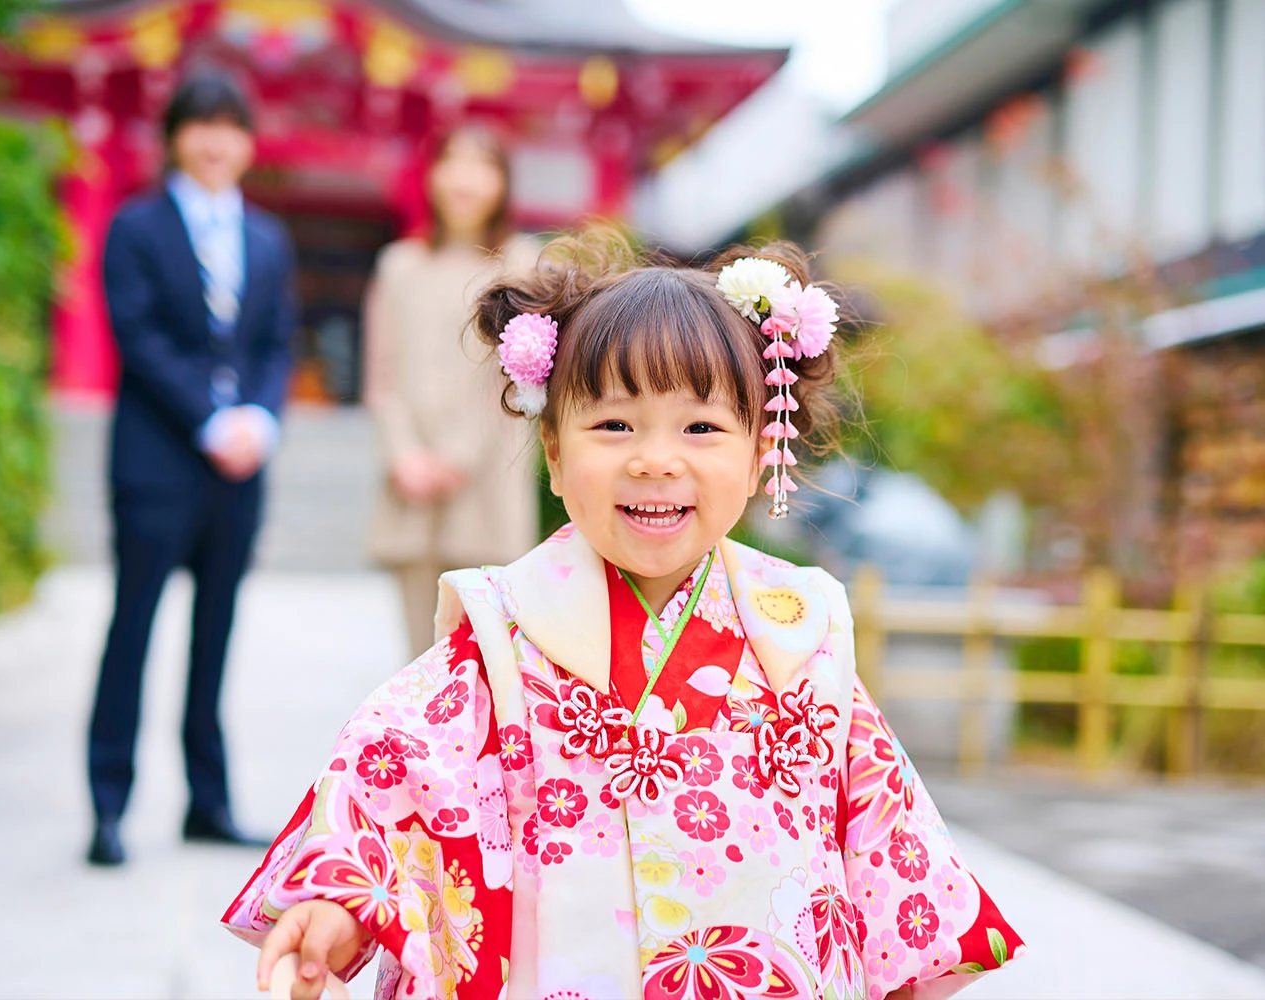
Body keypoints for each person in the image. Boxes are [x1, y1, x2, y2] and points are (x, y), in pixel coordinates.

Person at [221, 231, 1025, 999]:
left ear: (758, 455)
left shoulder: (801, 632)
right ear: (554, 453)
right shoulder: (507, 631)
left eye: (702, 427)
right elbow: (398, 773)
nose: (654, 458)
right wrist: (340, 903)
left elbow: (886, 848)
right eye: (613, 424)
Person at [86, 71, 296, 866]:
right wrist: (208, 419)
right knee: (132, 627)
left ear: (248, 140)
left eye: (230, 125)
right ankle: (109, 805)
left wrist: (261, 422)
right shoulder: (135, 227)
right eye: (201, 125)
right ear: (175, 136)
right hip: (157, 461)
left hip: (239, 470)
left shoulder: (269, 238)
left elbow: (277, 341)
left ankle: (207, 803)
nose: (216, 141)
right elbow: (136, 336)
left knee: (217, 634)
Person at [362, 125, 539, 658]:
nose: (464, 179)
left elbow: (519, 373)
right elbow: (381, 376)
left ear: (502, 182)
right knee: (418, 660)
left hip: (486, 484)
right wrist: (406, 456)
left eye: (481, 164)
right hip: (410, 484)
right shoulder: (399, 266)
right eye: (452, 162)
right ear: (431, 176)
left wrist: (457, 458)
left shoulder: (521, 264)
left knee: (488, 657)